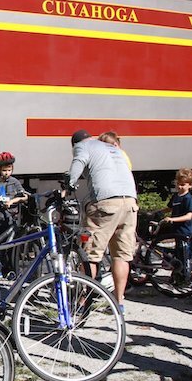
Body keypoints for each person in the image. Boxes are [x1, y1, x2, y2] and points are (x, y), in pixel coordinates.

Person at [63, 129, 138, 312]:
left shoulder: (82, 146)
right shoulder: (112, 148)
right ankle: (118, 302)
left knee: (91, 255)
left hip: (105, 203)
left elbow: (77, 166)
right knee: (121, 256)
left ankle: (83, 302)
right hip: (130, 202)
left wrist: (67, 186)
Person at [160, 168, 192, 280]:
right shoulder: (176, 197)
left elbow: (189, 216)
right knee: (177, 254)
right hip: (176, 231)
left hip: (185, 231)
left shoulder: (187, 198)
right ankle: (177, 275)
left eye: (183, 185)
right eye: (178, 184)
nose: (180, 187)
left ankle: (185, 277)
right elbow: (169, 208)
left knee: (184, 256)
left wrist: (172, 219)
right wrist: (157, 212)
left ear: (190, 185)